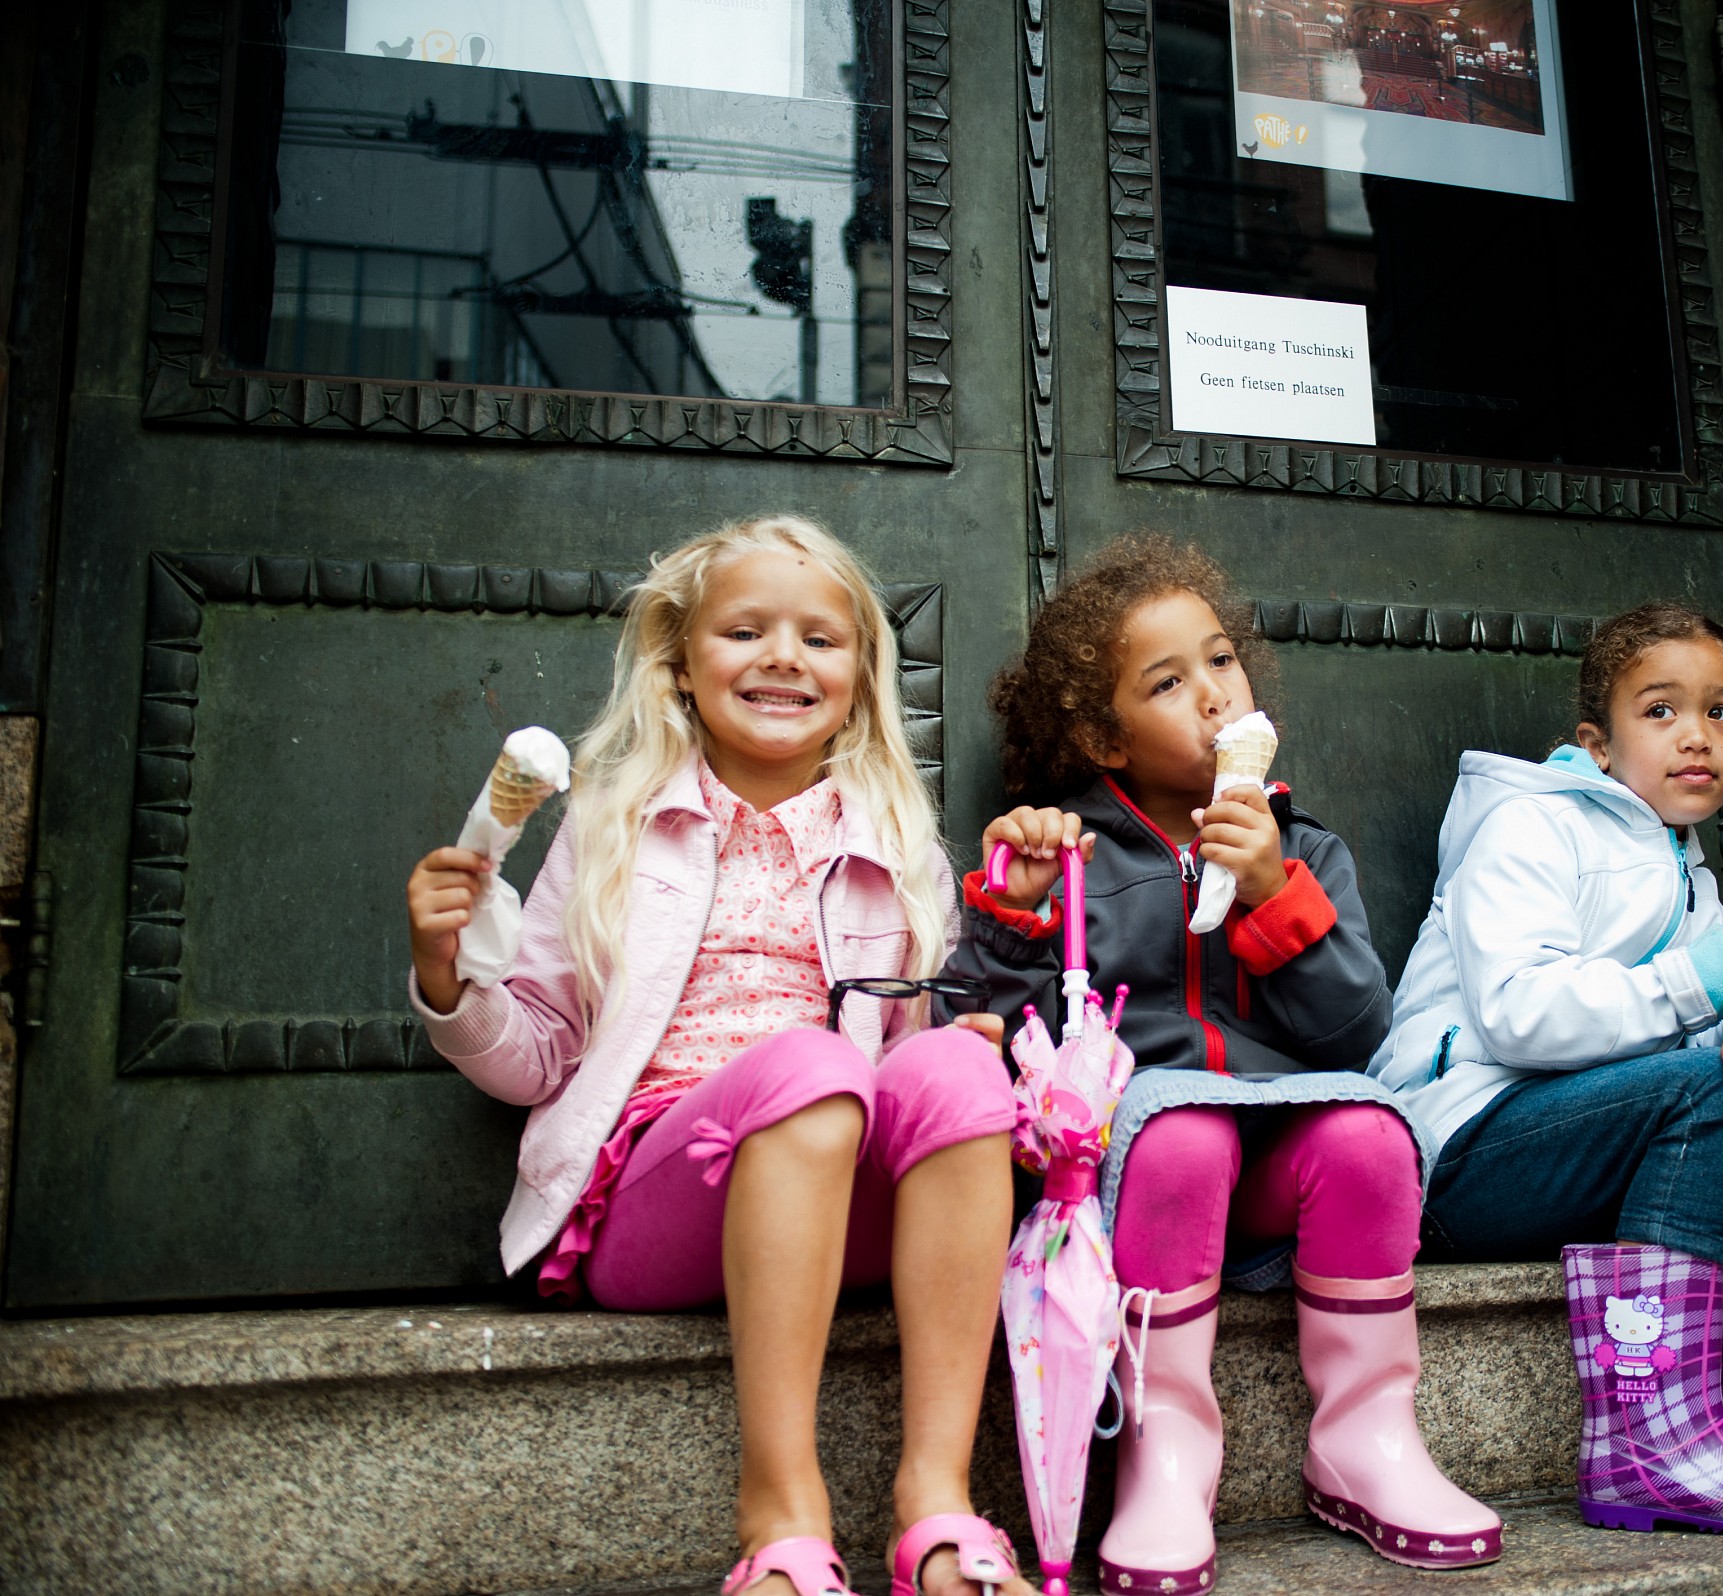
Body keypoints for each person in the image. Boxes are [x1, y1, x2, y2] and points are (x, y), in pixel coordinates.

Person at [405, 516, 1032, 1596]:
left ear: (862, 676)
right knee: (814, 1070)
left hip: (839, 1194)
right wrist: (447, 972)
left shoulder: (895, 841)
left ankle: (940, 1511)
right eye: (745, 631)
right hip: (661, 1204)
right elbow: (540, 1055)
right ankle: (779, 1516)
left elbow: (911, 1065)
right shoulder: (614, 825)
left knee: (956, 1072)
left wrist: (974, 1053)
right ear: (682, 668)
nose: (784, 657)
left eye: (820, 640)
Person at [941, 536, 1501, 1593]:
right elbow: (988, 1035)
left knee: (1373, 1133)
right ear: (1105, 735)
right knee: (1186, 1130)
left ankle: (1366, 1439)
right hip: (1140, 1178)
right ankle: (1168, 1454)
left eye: (1220, 664)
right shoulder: (1075, 858)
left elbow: (1352, 1037)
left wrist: (1270, 891)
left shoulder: (1306, 850)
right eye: (1167, 682)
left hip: (1281, 1174)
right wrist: (1015, 917)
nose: (1211, 695)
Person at [1371, 601, 1723, 1535]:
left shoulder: (1682, 862)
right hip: (1464, 1151)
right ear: (1599, 745)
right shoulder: (1530, 829)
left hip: (1585, 1143)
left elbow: (1717, 1014)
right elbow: (1519, 1015)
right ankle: (1647, 1438)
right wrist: (1714, 981)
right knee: (1716, 1089)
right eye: (1662, 710)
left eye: (1722, 713)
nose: (1697, 736)